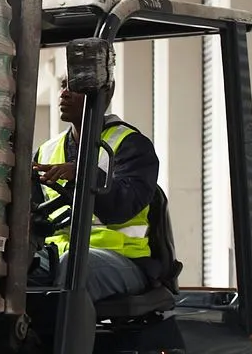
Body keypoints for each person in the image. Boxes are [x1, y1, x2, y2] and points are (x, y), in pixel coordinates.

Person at [32, 74, 164, 303]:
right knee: (17, 266)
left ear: (105, 94)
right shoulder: (46, 150)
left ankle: (64, 338)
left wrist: (84, 174)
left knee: (74, 268)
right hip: (59, 255)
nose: (64, 93)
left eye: (76, 88)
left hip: (123, 258)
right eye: (64, 86)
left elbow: (123, 205)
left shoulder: (131, 146)